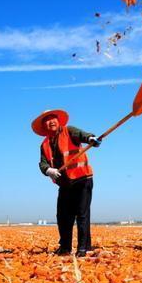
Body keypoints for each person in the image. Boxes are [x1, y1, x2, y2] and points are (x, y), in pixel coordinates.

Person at [33, 109, 101, 257]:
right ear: (44, 125)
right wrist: (49, 170)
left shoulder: (69, 131)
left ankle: (83, 248)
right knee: (63, 216)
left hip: (82, 178)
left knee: (81, 214)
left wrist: (91, 139)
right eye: (47, 119)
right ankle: (65, 247)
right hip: (65, 183)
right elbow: (42, 164)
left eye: (53, 118)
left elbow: (83, 135)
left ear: (58, 121)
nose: (51, 121)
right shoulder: (44, 144)